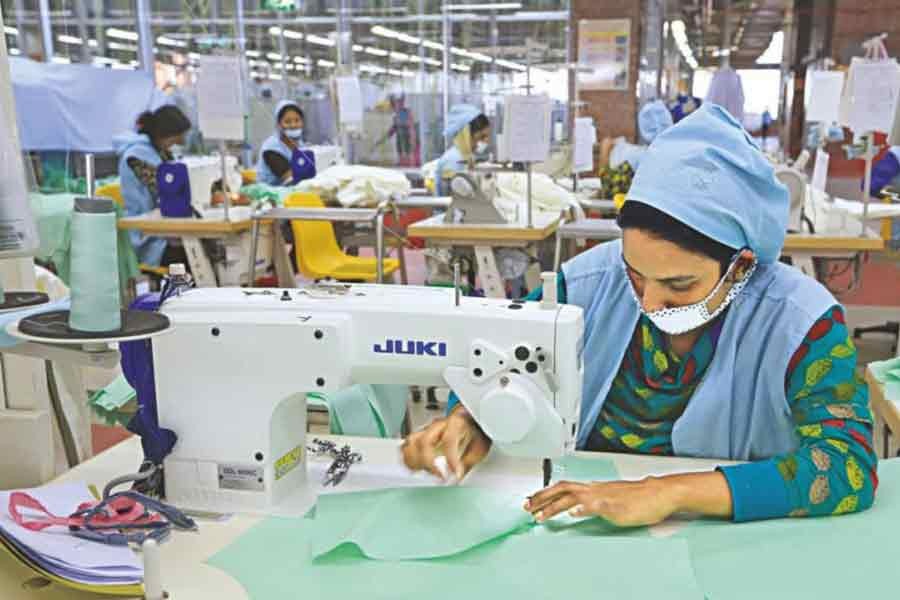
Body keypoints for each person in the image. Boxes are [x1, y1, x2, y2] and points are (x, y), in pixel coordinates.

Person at [402, 104, 877, 526]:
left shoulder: (801, 324)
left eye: (678, 285)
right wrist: (471, 420)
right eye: (635, 274)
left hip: (719, 536)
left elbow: (846, 464)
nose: (648, 303)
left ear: (740, 267)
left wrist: (667, 492)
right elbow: (497, 366)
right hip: (581, 518)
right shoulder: (586, 283)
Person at [113, 105, 192, 266]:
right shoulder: (136, 157)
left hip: (163, 229)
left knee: (202, 248)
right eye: (177, 139)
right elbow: (169, 192)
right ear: (164, 135)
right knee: (196, 256)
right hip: (147, 239)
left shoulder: (159, 151)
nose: (181, 143)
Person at [433, 104, 490, 196]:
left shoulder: (467, 156)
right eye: (482, 136)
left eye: (487, 136)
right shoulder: (453, 160)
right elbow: (454, 201)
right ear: (465, 134)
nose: (486, 141)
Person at [256, 100, 317, 186]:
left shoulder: (300, 145)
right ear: (279, 124)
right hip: (271, 195)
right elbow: (289, 178)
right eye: (287, 122)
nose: (293, 125)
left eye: (297, 120)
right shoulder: (271, 148)